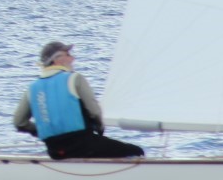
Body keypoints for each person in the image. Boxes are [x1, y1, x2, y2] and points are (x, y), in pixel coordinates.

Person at [12, 41, 145, 160]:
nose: (72, 58)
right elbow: (94, 111)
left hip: (54, 150)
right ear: (57, 59)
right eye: (68, 54)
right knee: (136, 151)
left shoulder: (32, 88)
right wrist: (100, 127)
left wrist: (41, 130)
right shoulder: (75, 79)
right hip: (83, 145)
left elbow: (19, 122)